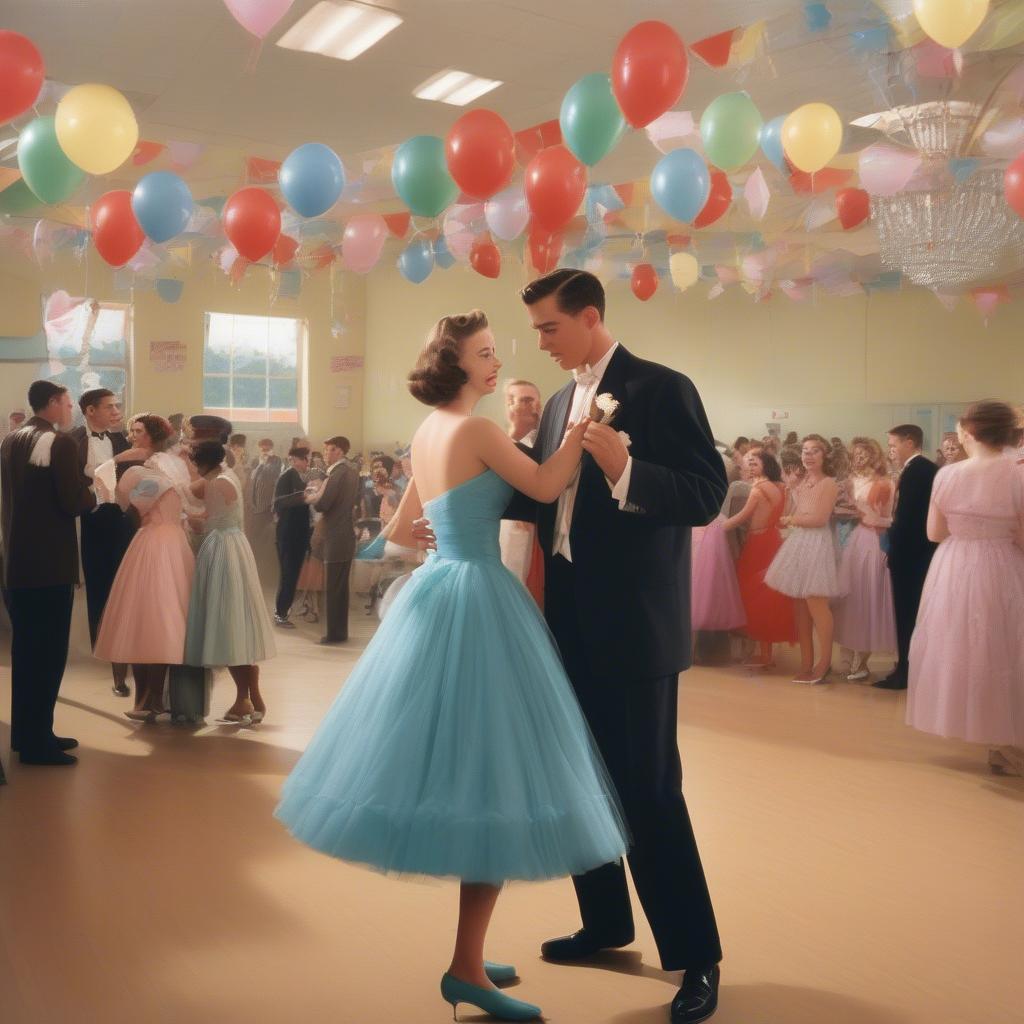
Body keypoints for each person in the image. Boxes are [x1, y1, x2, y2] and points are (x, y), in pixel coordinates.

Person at [276, 309, 629, 1022]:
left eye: (496, 352)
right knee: (493, 780)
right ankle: (467, 967)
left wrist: (448, 526)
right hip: (480, 600)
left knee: (477, 776)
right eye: (486, 354)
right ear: (457, 364)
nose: (496, 364)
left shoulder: (428, 430)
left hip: (439, 589)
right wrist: (579, 431)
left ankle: (470, 955)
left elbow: (406, 529)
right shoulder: (477, 429)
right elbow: (546, 484)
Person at [447, 270, 728, 1024]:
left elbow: (707, 493)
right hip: (564, 616)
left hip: (637, 623)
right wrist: (450, 499)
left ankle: (697, 956)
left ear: (589, 317)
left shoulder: (665, 389)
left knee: (649, 790)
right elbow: (541, 488)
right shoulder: (563, 401)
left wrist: (625, 466)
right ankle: (607, 921)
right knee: (580, 778)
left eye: (547, 327)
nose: (537, 342)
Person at [907, 401, 1024, 776]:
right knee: (1007, 649)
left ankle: (996, 740)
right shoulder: (1017, 472)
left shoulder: (947, 475)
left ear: (969, 433)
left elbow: (935, 533)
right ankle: (1008, 742)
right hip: (1004, 563)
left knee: (972, 650)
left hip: (955, 567)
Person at [1, 381, 94, 766]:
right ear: (53, 404)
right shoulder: (60, 443)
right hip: (50, 565)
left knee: (26, 654)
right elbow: (73, 502)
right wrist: (95, 490)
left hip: (17, 563)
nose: (70, 409)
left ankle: (30, 733)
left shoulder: (11, 439)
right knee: (49, 655)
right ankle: (38, 745)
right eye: (68, 403)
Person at [94, 414, 195, 721]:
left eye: (138, 432)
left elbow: (134, 511)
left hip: (153, 542)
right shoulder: (178, 470)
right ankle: (154, 699)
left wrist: (124, 492)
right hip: (176, 541)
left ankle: (148, 700)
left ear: (152, 438)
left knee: (147, 619)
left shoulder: (152, 473)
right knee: (165, 619)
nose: (133, 436)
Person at [185, 441, 275, 724]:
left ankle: (247, 699)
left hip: (221, 547)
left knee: (225, 620)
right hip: (236, 544)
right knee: (234, 619)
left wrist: (190, 520)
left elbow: (211, 520)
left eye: (195, 463)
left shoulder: (215, 484)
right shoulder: (229, 477)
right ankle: (247, 699)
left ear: (203, 463)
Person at [69, 388, 135, 696]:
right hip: (89, 520)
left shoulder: (123, 442)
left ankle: (125, 647)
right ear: (90, 410)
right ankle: (101, 644)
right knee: (96, 584)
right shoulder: (71, 441)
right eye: (109, 406)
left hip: (121, 521)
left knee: (124, 584)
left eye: (117, 406)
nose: (115, 411)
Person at [765, 434, 840, 685]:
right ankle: (806, 662)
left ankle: (824, 662)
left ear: (824, 455)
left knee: (816, 603)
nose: (808, 455)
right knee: (799, 607)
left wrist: (792, 520)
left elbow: (819, 518)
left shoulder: (829, 483)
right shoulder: (801, 481)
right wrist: (791, 490)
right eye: (805, 451)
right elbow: (790, 512)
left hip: (817, 543)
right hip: (799, 543)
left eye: (814, 451)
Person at [876, 424, 938, 690]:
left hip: (911, 556)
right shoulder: (920, 469)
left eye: (893, 445)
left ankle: (906, 671)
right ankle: (906, 666)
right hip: (916, 553)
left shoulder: (918, 471)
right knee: (909, 613)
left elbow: (910, 519)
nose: (891, 451)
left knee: (907, 613)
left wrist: (890, 544)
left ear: (910, 442)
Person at [722, 448, 795, 668]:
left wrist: (714, 528)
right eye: (748, 463)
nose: (749, 467)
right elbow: (783, 519)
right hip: (774, 540)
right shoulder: (782, 487)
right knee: (769, 596)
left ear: (766, 464)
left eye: (754, 463)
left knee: (753, 595)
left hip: (757, 544)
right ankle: (765, 652)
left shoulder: (757, 489)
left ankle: (763, 655)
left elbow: (740, 518)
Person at [832, 438, 896, 682]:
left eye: (864, 453)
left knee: (869, 598)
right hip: (853, 540)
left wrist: (868, 516)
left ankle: (863, 659)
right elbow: (837, 510)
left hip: (873, 540)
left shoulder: (885, 482)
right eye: (855, 453)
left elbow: (888, 517)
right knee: (850, 597)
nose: (859, 458)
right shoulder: (847, 482)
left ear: (873, 455)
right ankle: (847, 656)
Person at [309, 435, 360, 645]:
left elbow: (324, 504)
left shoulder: (338, 473)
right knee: (339, 588)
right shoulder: (351, 471)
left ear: (339, 451)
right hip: (343, 533)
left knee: (334, 588)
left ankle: (334, 634)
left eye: (328, 449)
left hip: (335, 535)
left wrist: (314, 495)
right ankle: (340, 632)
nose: (325, 454)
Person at [499, 379, 544, 595]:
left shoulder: (548, 445)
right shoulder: (495, 444)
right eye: (522, 401)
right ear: (508, 405)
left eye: (532, 401)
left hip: (535, 532)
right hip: (500, 530)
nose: (529, 407)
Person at [273, 445, 312, 627]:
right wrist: (304, 496)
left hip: (297, 534)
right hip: (289, 534)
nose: (306, 464)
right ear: (298, 461)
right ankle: (281, 613)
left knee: (292, 575)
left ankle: (283, 611)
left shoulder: (300, 477)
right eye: (303, 460)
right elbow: (279, 502)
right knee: (288, 575)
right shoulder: (287, 476)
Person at [247, 438, 282, 577]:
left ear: (272, 448)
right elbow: (252, 478)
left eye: (267, 449)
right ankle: (253, 570)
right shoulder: (256, 460)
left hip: (266, 507)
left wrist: (266, 461)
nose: (264, 451)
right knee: (253, 540)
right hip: (254, 508)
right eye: (262, 449)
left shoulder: (276, 460)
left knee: (264, 541)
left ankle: (264, 572)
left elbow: (271, 474)